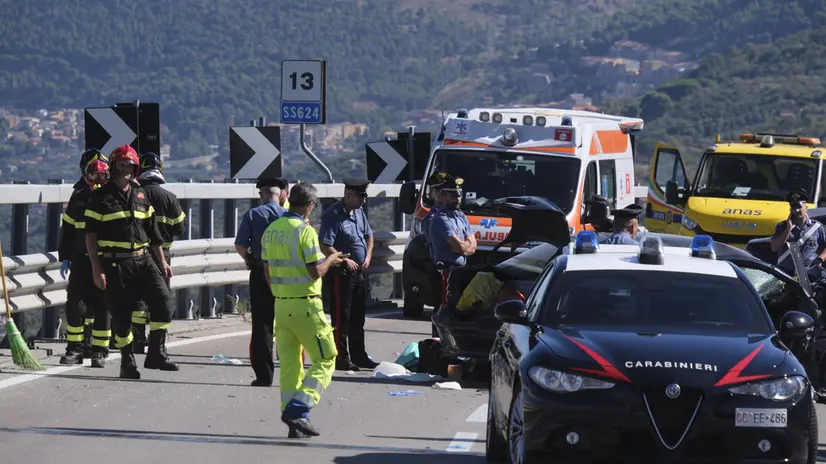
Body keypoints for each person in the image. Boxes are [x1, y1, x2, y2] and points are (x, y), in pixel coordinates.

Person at [83, 144, 178, 378]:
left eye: (130, 165)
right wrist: (97, 269)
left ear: (136, 169)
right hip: (115, 264)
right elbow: (90, 236)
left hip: (144, 260)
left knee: (164, 304)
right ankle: (127, 360)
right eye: (122, 164)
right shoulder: (99, 197)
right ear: (114, 165)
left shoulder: (141, 194)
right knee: (122, 314)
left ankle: (156, 352)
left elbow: (154, 234)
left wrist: (163, 263)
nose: (126, 169)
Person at [261, 181, 345, 438]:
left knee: (290, 365)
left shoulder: (271, 230)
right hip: (306, 304)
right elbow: (314, 272)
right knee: (327, 357)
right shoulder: (305, 232)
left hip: (281, 304)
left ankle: (294, 422)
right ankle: (299, 408)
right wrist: (331, 259)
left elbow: (267, 272)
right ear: (309, 206)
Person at [58, 148, 112, 367]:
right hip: (80, 258)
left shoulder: (113, 195)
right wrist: (65, 256)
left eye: (101, 175)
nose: (97, 179)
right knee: (75, 305)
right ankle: (75, 348)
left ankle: (99, 350)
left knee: (102, 305)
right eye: (93, 174)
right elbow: (68, 227)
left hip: (105, 259)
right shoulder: (79, 194)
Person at [130, 152, 187, 354]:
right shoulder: (169, 198)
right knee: (160, 299)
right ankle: (157, 345)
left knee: (138, 299)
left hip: (136, 256)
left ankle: (137, 340)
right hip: (162, 257)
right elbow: (180, 227)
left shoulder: (134, 194)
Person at [319, 178, 378, 371]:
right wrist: (344, 259)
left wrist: (368, 255)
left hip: (359, 272)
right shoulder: (333, 215)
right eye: (360, 197)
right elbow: (325, 244)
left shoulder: (359, 213)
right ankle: (340, 357)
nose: (363, 201)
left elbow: (369, 235)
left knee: (358, 317)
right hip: (341, 272)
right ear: (349, 194)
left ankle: (359, 356)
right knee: (341, 317)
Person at [234, 177, 287, 387]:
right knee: (288, 322)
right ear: (279, 194)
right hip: (286, 273)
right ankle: (293, 370)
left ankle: (264, 375)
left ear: (262, 195)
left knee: (262, 325)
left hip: (259, 271)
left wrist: (249, 258)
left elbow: (239, 245)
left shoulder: (253, 214)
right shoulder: (289, 216)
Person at [770, 189, 826, 282]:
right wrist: (788, 230)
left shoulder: (816, 227)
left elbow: (825, 247)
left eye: (799, 207)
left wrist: (820, 260)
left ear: (806, 207)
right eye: (793, 207)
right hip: (786, 276)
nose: (796, 210)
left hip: (809, 275)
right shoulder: (782, 227)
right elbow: (774, 247)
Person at [428, 177, 476, 267]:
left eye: (459, 195)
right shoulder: (441, 218)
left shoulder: (461, 216)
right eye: (453, 196)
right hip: (447, 270)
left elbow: (473, 247)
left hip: (461, 269)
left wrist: (463, 249)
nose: (458, 199)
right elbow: (459, 247)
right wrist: (466, 245)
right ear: (443, 195)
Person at [421, 171, 452, 247]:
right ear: (432, 193)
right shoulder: (431, 218)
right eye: (436, 189)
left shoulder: (458, 214)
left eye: (443, 189)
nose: (440, 193)